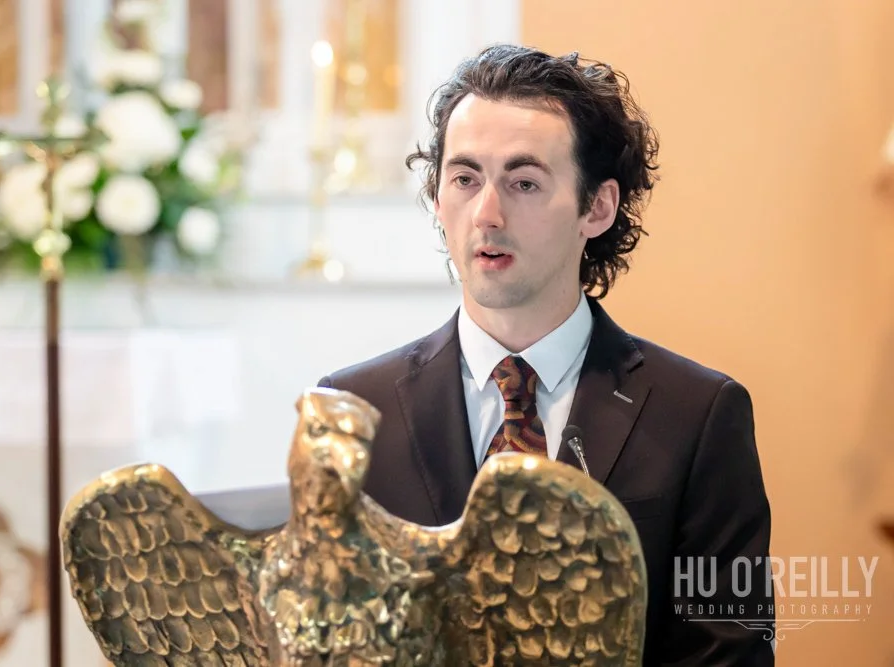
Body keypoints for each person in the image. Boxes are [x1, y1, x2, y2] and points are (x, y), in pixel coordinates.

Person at [318, 44, 774, 665]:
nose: (487, 214)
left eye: (524, 183)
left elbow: (729, 656)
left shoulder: (698, 415)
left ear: (597, 207)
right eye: (465, 179)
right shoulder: (353, 410)